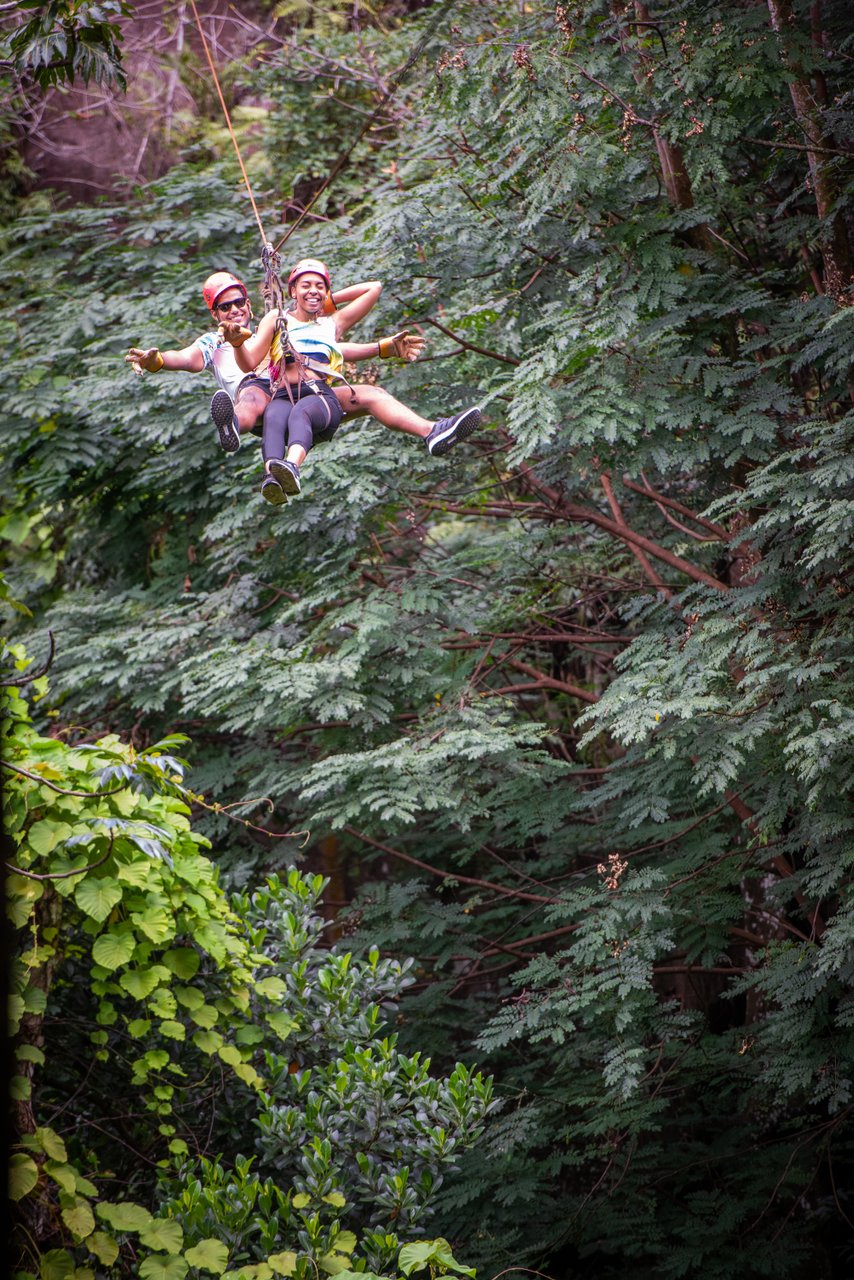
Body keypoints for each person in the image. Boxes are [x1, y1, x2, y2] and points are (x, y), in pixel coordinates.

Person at [220, 258, 482, 505]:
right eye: (305, 286)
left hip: (316, 397)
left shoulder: (331, 324)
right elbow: (249, 363)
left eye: (319, 286)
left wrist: (326, 300)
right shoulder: (277, 319)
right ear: (292, 291)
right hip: (282, 396)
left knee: (352, 399)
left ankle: (433, 433)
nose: (313, 290)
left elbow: (373, 288)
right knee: (274, 416)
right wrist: (237, 344)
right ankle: (272, 478)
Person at [124, 271, 461, 458]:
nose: (234, 310)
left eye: (239, 302)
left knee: (371, 394)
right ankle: (231, 426)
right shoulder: (213, 342)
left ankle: (432, 431)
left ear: (249, 305)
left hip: (303, 395)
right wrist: (156, 360)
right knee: (253, 397)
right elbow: (183, 359)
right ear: (215, 314)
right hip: (262, 403)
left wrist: (379, 347)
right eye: (226, 307)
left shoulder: (274, 327)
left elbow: (328, 350)